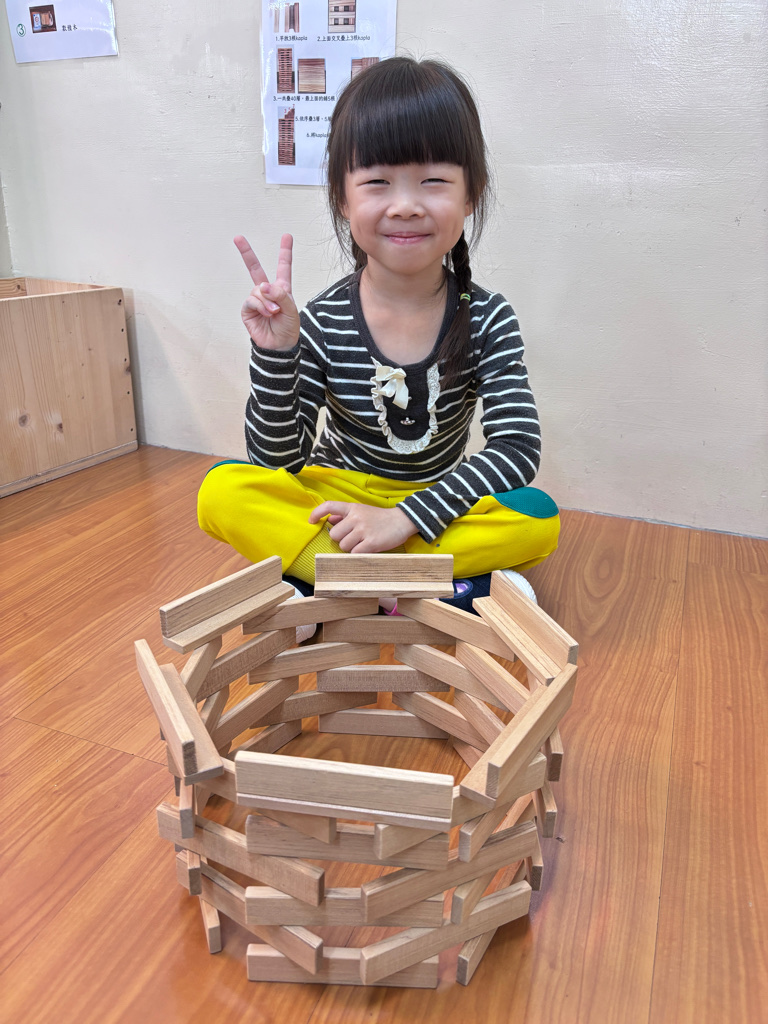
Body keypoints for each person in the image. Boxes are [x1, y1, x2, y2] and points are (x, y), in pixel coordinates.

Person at [197, 56, 560, 619]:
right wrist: (276, 355)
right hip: (337, 500)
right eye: (377, 182)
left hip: (433, 502)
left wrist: (406, 517)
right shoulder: (321, 319)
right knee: (221, 491)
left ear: (471, 195)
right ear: (343, 200)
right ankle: (434, 585)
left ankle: (330, 578)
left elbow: (517, 449)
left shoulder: (488, 317)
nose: (406, 205)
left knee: (537, 516)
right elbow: (278, 462)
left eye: (434, 181)